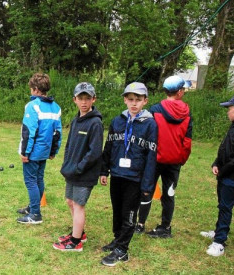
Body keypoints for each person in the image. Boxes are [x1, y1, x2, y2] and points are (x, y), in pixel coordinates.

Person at [99, 82, 157, 266]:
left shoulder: (150, 125)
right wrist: (104, 170)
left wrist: (147, 185)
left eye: (138, 100)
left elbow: (151, 157)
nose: (134, 103)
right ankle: (118, 239)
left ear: (145, 101)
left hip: (135, 178)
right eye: (130, 99)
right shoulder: (117, 121)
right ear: (125, 100)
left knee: (129, 213)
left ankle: (123, 250)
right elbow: (109, 147)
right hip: (117, 174)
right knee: (117, 210)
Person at [136, 75, 193, 238]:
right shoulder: (188, 113)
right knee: (169, 193)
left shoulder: (155, 109)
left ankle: (139, 225)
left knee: (147, 190)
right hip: (174, 162)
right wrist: (181, 159)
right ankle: (165, 227)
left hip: (154, 160)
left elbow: (147, 135)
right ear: (180, 92)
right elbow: (187, 142)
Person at [52, 82, 103, 251]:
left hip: (84, 173)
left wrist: (79, 168)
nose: (84, 102)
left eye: (87, 98)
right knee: (70, 201)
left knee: (79, 205)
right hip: (72, 171)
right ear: (74, 99)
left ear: (93, 99)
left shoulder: (95, 123)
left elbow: (94, 153)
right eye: (80, 98)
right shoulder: (75, 120)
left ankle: (75, 242)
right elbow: (69, 146)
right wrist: (67, 164)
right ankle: (79, 232)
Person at [16, 73, 62, 224]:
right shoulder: (56, 108)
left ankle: (35, 214)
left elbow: (28, 131)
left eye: (31, 88)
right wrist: (54, 151)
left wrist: (24, 152)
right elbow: (58, 132)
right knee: (39, 179)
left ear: (35, 89)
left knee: (30, 181)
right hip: (45, 151)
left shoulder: (32, 106)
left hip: (34, 151)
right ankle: (32, 207)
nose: (30, 91)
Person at [201, 95, 234, 257]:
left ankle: (219, 242)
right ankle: (218, 231)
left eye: (229, 109)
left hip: (233, 178)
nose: (227, 112)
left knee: (225, 208)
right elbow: (225, 149)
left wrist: (223, 171)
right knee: (222, 205)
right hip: (225, 175)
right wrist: (216, 163)